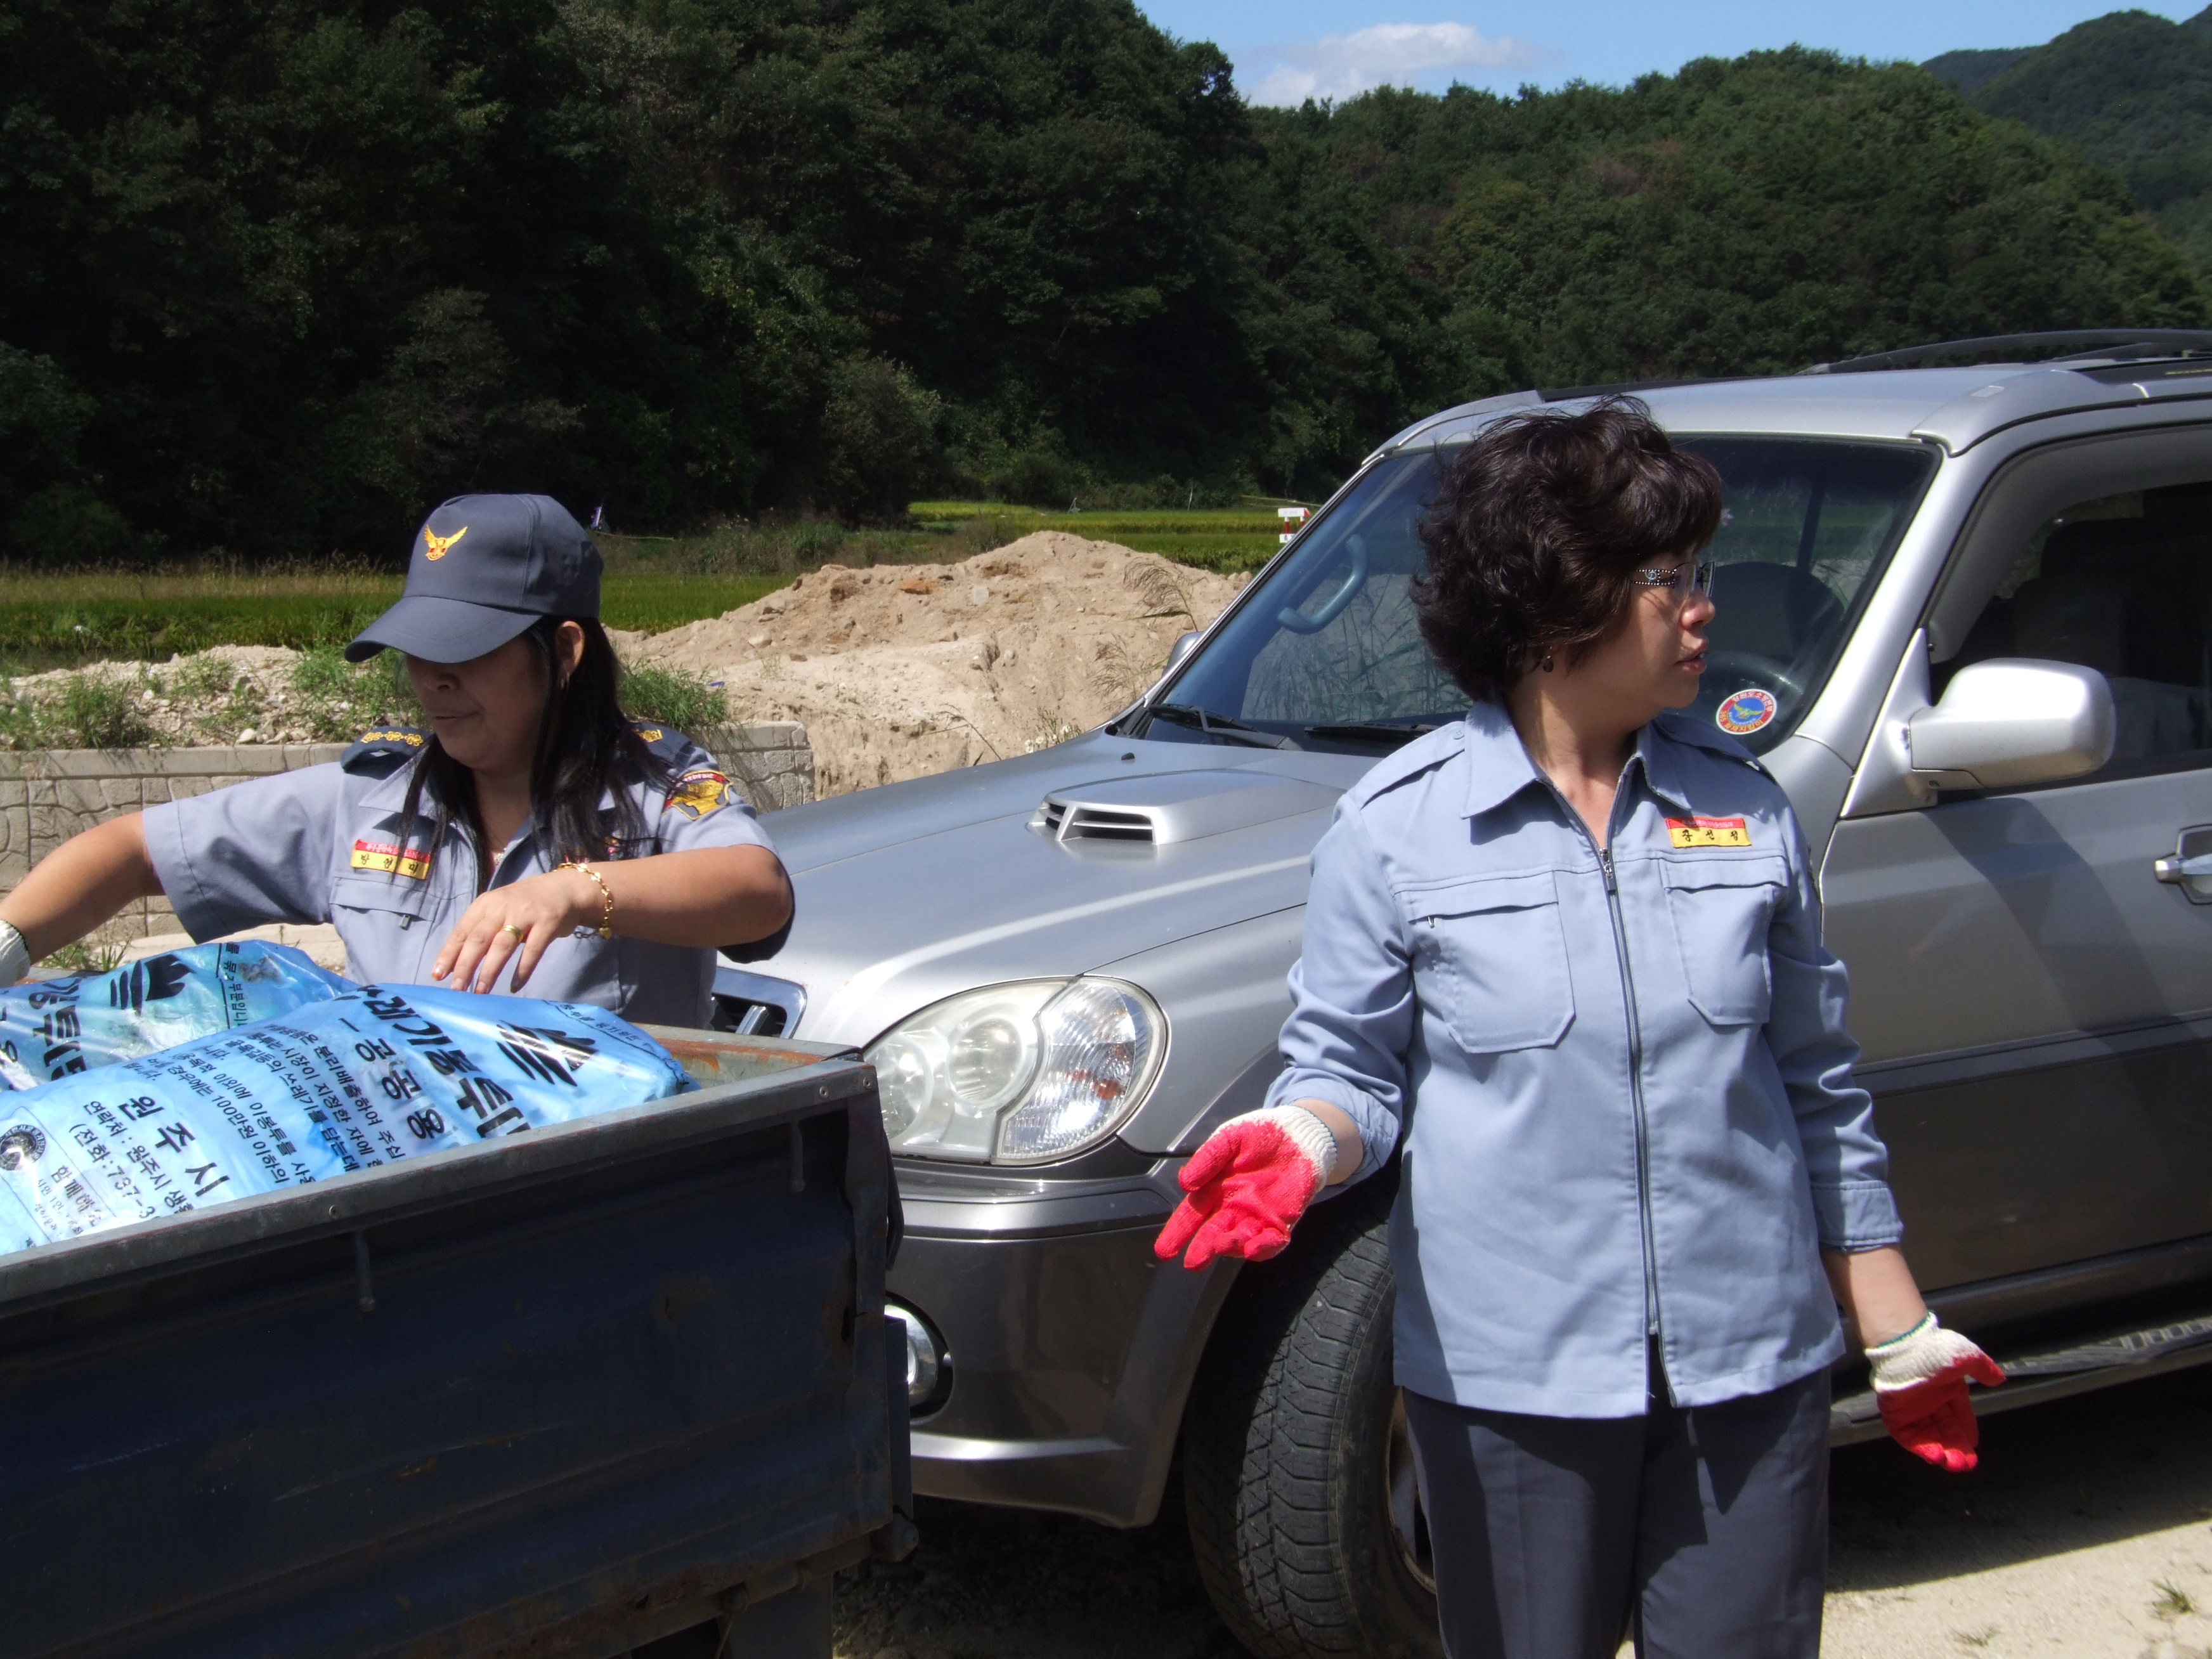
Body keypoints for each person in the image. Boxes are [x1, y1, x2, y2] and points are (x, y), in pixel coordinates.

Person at [1154, 403, 2003, 1659]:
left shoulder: (1746, 813)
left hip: (1749, 1371)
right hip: (1509, 1384)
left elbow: (1813, 1084)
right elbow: (1349, 1072)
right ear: (1557, 597)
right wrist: (1301, 1139)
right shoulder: (1396, 831)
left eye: (1699, 572)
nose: (1704, 609)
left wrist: (1896, 1326)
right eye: (1671, 578)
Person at [0, 494, 791, 1027]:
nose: (431, 678)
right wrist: (10, 941)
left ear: (563, 651)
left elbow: (757, 894)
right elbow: (135, 851)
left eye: (466, 651)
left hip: (589, 1194)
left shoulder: (653, 788)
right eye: (416, 650)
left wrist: (579, 892)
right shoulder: (373, 800)